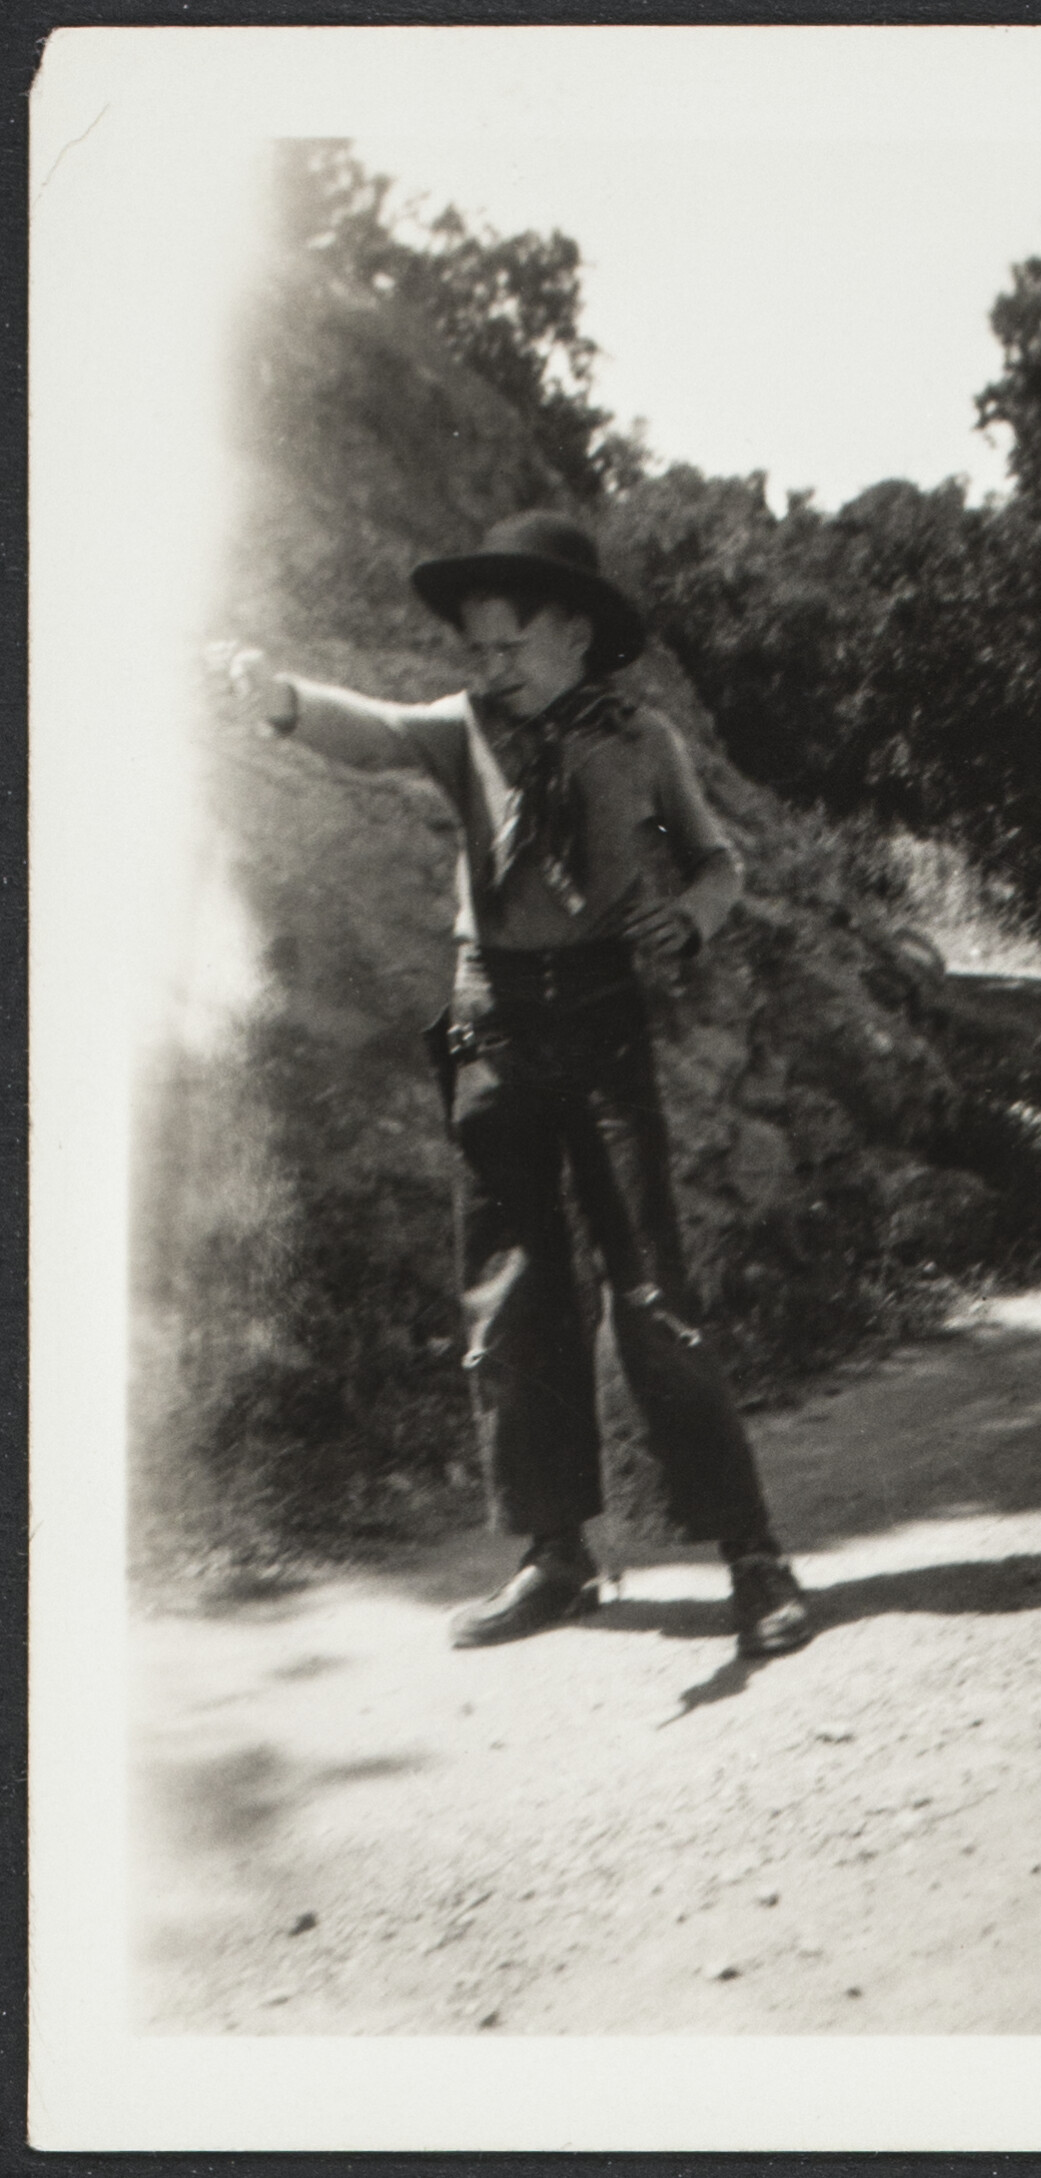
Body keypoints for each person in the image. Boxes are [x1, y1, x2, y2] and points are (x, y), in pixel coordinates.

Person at [231, 509, 813, 1659]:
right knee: (510, 1293)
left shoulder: (640, 741)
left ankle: (751, 1553)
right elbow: (375, 730)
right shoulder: (462, 732)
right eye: (478, 650)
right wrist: (285, 700)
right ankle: (555, 1555)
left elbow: (716, 861)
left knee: (649, 1294)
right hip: (487, 1019)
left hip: (601, 1022)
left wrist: (689, 918)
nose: (490, 669)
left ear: (580, 635)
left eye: (512, 647)